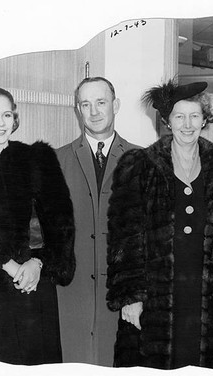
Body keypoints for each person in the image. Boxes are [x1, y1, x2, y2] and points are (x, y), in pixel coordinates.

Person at [106, 80, 213, 369]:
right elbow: (124, 237)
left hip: (204, 297)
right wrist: (131, 296)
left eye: (195, 116)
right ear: (167, 121)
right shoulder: (139, 166)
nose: (187, 124)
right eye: (179, 116)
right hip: (154, 298)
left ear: (205, 119)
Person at [0, 86, 75, 365]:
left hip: (34, 287)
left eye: (7, 114)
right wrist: (8, 265)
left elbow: (60, 224)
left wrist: (38, 263)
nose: (1, 123)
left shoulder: (37, 159)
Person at [56, 77, 139, 366]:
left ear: (115, 105)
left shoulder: (142, 160)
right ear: (77, 109)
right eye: (85, 104)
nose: (94, 111)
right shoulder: (57, 160)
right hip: (72, 293)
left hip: (123, 293)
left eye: (101, 102)